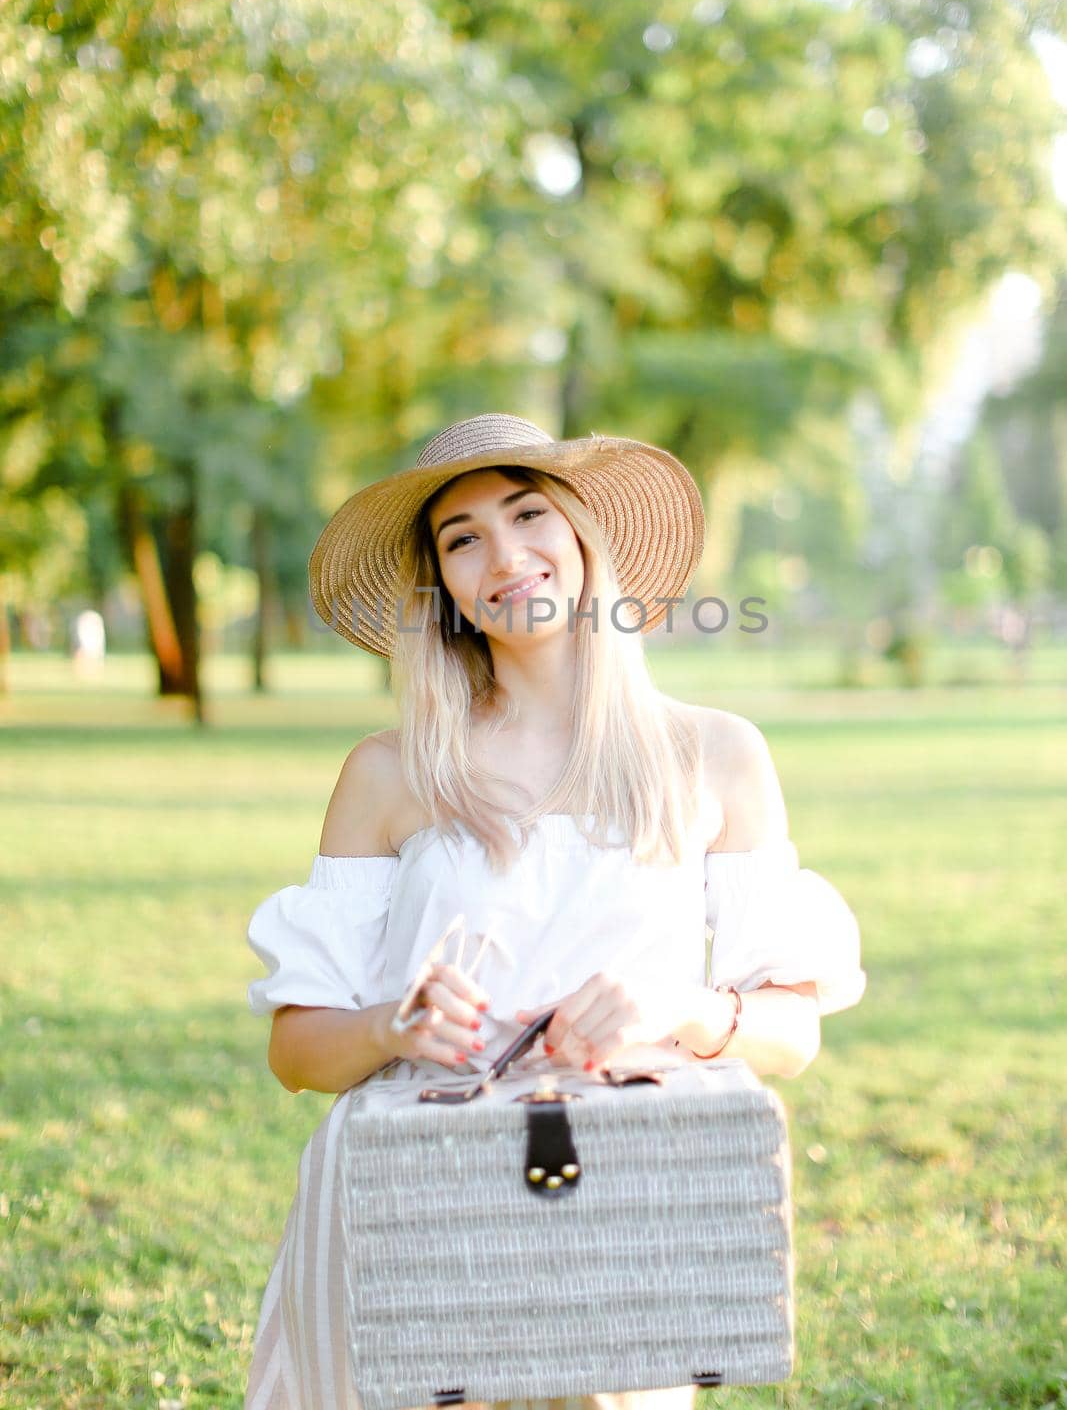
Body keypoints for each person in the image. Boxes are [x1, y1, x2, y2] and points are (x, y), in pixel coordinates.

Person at [243, 412, 867, 1410]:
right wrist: (383, 1024)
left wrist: (680, 1006)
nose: (504, 557)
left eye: (528, 514)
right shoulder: (388, 771)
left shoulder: (712, 755)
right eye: (460, 538)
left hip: (618, 1214)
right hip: (414, 1210)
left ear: (582, 539)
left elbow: (790, 1033)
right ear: (439, 584)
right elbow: (294, 1053)